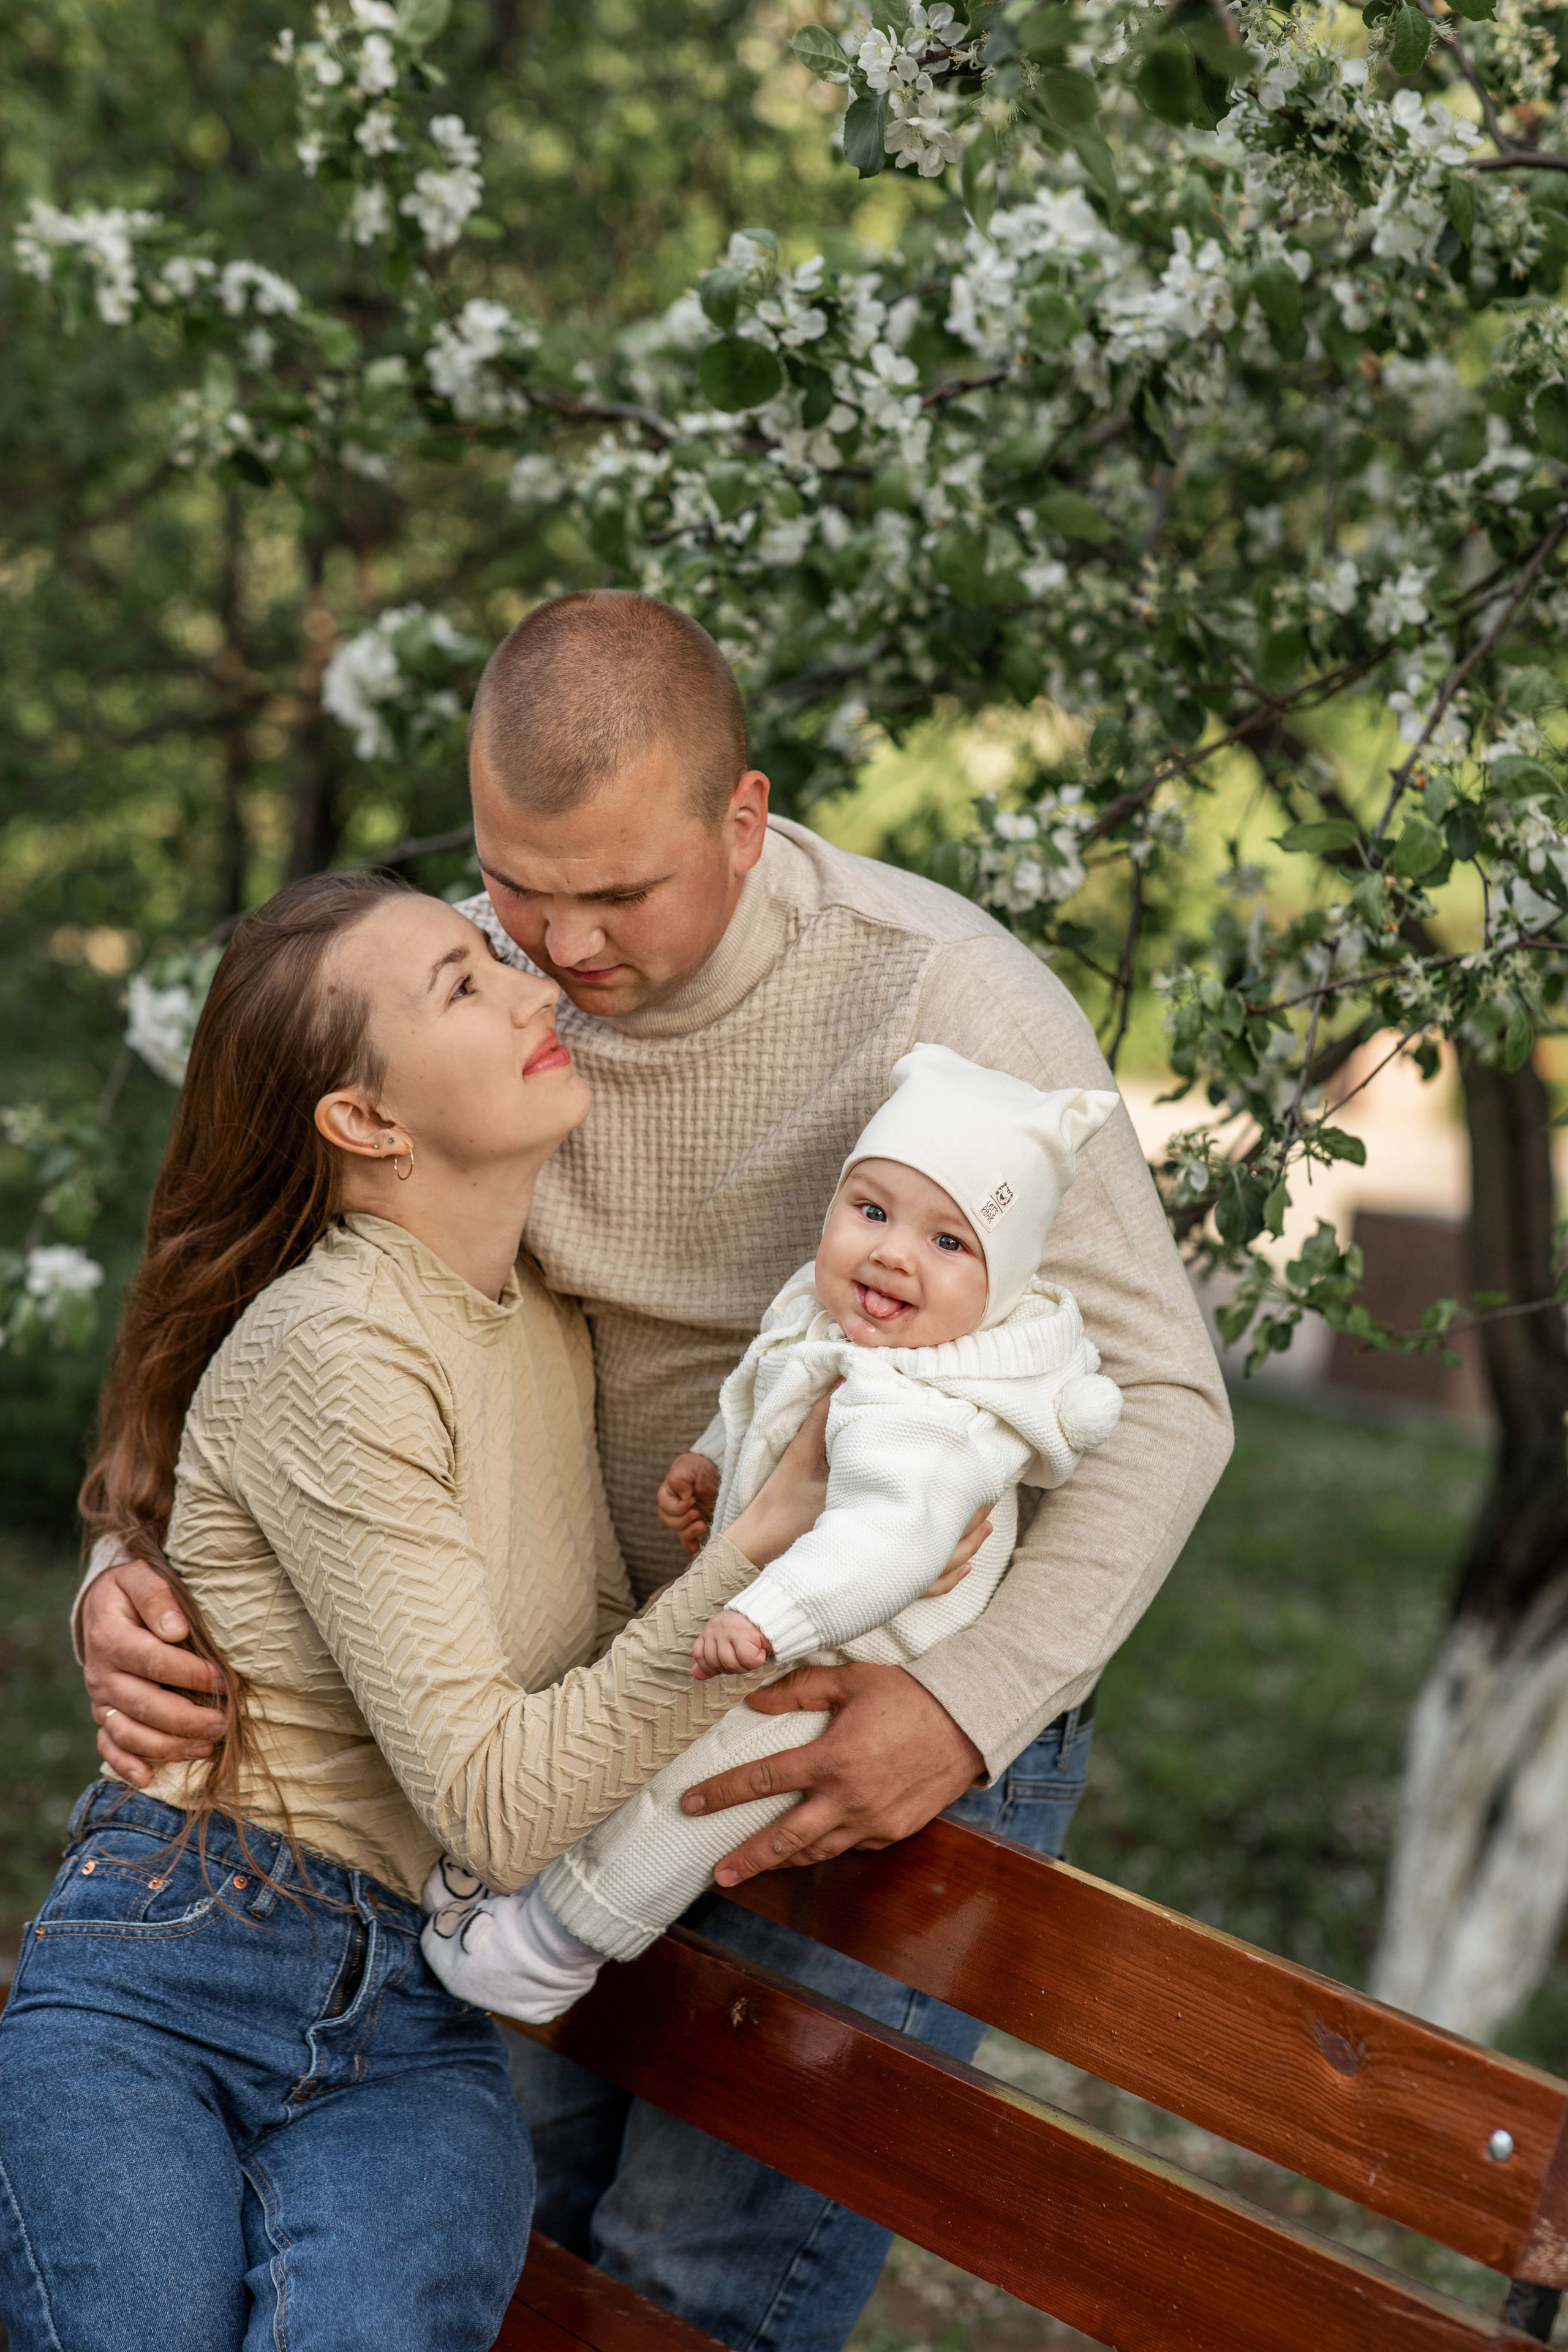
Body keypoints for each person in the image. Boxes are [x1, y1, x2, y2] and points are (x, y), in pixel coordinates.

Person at [77, 591, 1234, 2352]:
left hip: (869, 1701)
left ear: (749, 820)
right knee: (541, 2226)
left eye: (618, 894)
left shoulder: (941, 1000)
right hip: (564, 1724)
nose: (560, 943)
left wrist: (970, 1709)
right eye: (516, 886)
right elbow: (249, 1285)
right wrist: (123, 1568)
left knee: (708, 2269)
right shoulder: (470, 1011)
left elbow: (1169, 1400)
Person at [0, 871, 854, 2352]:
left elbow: (573, 1687)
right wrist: (759, 1565)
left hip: (416, 2025)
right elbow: (497, 1802)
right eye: (469, 983)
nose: (540, 991)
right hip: (177, 1969)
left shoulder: (547, 1332)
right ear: (366, 1123)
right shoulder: (334, 1343)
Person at [421, 1046, 1125, 2019]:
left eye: (950, 1244)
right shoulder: (833, 1318)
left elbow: (892, 1544)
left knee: (695, 1790)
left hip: (843, 1653)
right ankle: (519, 1875)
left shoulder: (928, 1414)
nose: (891, 1253)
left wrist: (773, 1615)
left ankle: (549, 1950)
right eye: (872, 1211)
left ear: (1004, 1285)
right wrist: (715, 1462)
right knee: (628, 1737)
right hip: (774, 1608)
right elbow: (771, 1380)